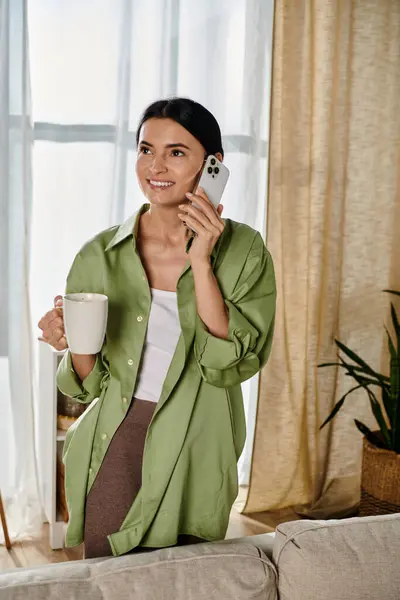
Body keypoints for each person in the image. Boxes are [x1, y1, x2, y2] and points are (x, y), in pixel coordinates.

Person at [38, 97, 276, 559]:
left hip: (199, 438)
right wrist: (71, 340)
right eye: (146, 150)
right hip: (118, 434)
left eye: (176, 152)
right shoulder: (99, 254)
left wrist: (202, 261)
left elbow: (233, 364)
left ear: (213, 165)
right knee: (104, 578)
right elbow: (87, 386)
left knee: (188, 580)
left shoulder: (245, 249)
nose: (156, 166)